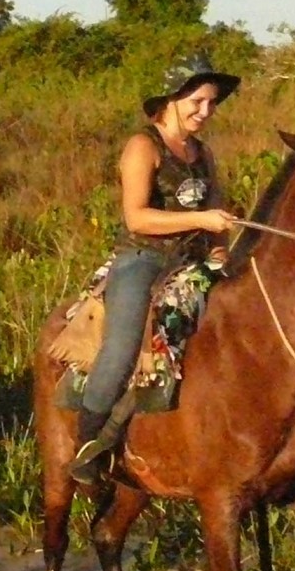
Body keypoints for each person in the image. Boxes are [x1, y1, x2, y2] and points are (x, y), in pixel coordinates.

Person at [67, 54, 242, 485]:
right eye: (198, 101)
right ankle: (88, 445)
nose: (206, 112)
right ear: (173, 98)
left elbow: (216, 209)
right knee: (123, 347)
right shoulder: (144, 146)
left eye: (212, 103)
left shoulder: (203, 153)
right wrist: (201, 221)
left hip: (193, 261)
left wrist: (220, 253)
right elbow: (137, 218)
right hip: (143, 259)